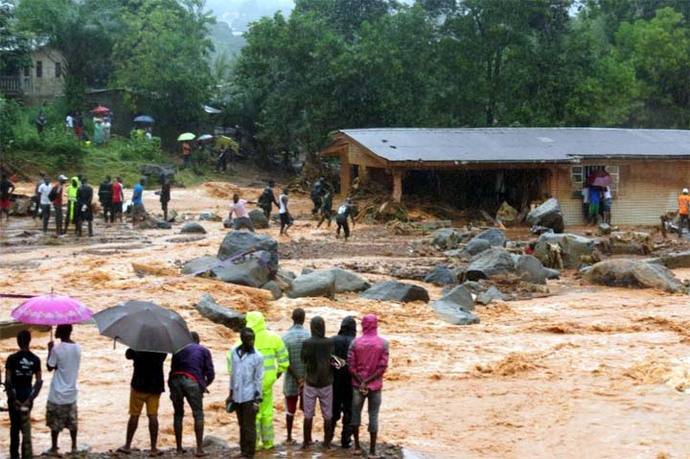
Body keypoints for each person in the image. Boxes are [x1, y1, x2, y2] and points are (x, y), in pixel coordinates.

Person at [229, 311, 288, 451]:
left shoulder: (242, 341)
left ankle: (254, 444)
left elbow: (231, 364)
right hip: (268, 382)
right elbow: (284, 360)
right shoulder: (274, 338)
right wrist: (276, 374)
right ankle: (268, 442)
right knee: (267, 412)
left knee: (252, 415)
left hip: (249, 385)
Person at [348, 315, 389, 458]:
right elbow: (382, 368)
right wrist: (369, 381)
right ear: (376, 325)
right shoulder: (383, 344)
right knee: (373, 416)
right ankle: (372, 451)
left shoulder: (355, 343)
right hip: (375, 386)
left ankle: (357, 447)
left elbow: (351, 366)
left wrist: (362, 381)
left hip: (357, 385)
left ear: (363, 325)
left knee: (355, 414)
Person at [169, 331, 215, 457]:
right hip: (192, 381)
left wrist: (171, 388)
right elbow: (210, 373)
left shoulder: (177, 349)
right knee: (198, 414)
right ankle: (199, 449)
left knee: (178, 414)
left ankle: (179, 448)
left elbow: (172, 369)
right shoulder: (203, 351)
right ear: (198, 341)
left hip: (175, 380)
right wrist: (204, 385)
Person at [119, 349, 167, 456]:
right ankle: (153, 448)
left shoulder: (138, 345)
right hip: (155, 385)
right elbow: (162, 359)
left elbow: (128, 355)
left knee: (134, 415)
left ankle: (127, 446)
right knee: (153, 415)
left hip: (138, 384)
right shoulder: (162, 348)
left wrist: (133, 346)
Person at [5, 330, 43, 459]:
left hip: (14, 397)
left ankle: (14, 456)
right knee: (25, 428)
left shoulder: (11, 359)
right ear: (29, 341)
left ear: (17, 341)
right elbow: (38, 382)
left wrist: (14, 399)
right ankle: (26, 455)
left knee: (14, 428)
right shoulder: (35, 359)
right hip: (27, 396)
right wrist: (29, 400)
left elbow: (8, 381)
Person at [227, 328, 264, 459]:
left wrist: (257, 399)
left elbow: (258, 379)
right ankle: (243, 451)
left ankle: (249, 453)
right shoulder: (234, 353)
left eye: (253, 339)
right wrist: (230, 394)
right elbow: (233, 375)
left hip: (250, 396)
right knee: (242, 425)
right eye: (249, 339)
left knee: (250, 426)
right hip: (237, 396)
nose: (252, 342)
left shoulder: (258, 357)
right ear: (242, 339)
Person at [46, 324, 81, 457]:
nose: (55, 331)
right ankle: (74, 446)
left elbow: (50, 367)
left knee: (55, 423)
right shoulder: (77, 348)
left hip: (57, 392)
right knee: (72, 422)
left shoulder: (57, 349)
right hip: (71, 391)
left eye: (57, 329)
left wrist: (50, 350)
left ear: (61, 332)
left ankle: (54, 447)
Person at [300, 316, 335, 449]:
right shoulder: (330, 342)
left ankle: (306, 441)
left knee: (308, 414)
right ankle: (327, 443)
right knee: (327, 415)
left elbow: (303, 360)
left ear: (312, 327)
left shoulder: (307, 343)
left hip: (311, 382)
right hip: (326, 382)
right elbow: (334, 361)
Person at [281, 308, 310, 444]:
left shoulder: (285, 337)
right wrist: (303, 377)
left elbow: (284, 361)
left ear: (292, 318)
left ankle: (288, 437)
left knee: (290, 410)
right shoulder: (309, 336)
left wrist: (296, 377)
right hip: (307, 380)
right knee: (307, 411)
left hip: (291, 379)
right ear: (304, 319)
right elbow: (312, 360)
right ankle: (307, 439)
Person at [330, 316, 356, 448]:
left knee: (333, 411)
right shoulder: (356, 342)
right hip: (351, 383)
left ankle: (328, 438)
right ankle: (346, 440)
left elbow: (328, 362)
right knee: (349, 411)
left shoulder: (332, 340)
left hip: (335, 381)